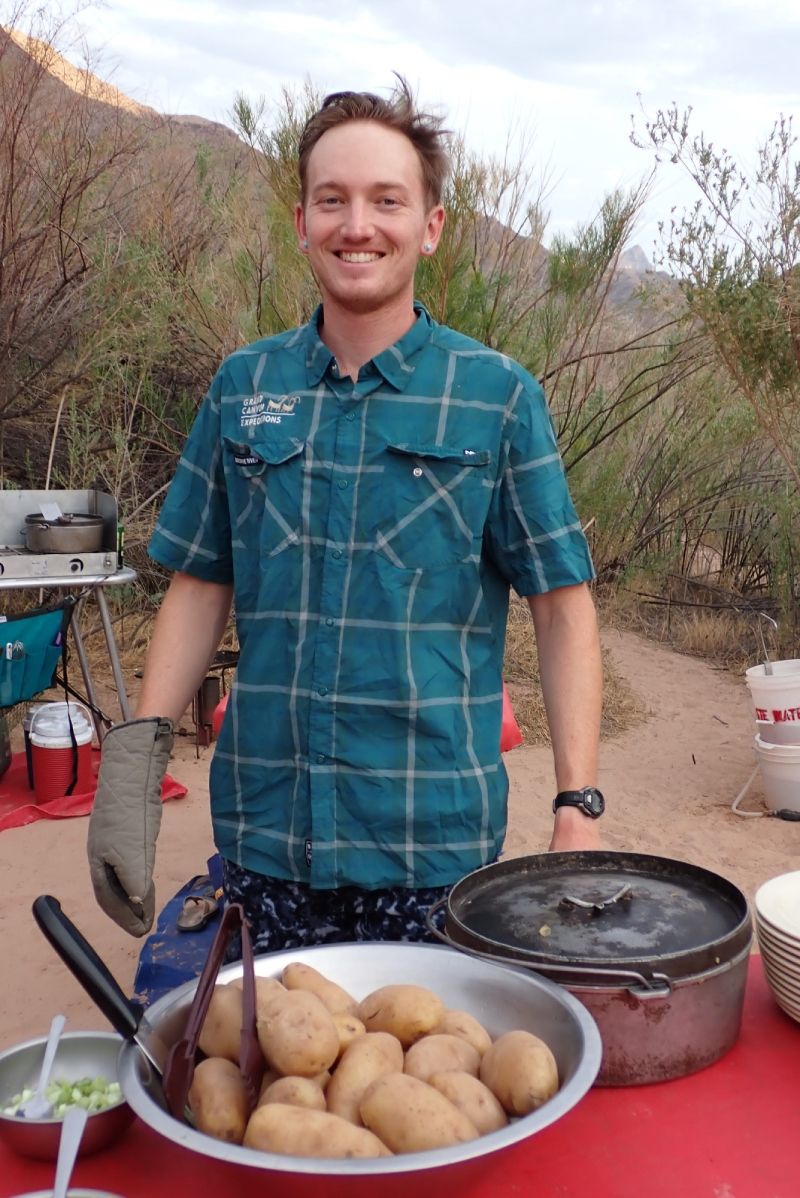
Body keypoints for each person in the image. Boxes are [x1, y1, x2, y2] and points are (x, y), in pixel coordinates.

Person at [87, 79, 603, 952]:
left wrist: (577, 805)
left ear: (431, 227)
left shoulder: (496, 398)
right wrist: (133, 772)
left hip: (432, 844)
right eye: (333, 200)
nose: (357, 225)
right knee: (262, 1076)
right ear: (301, 222)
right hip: (266, 834)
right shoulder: (244, 389)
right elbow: (200, 582)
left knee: (421, 1081)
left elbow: (562, 605)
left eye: (386, 201)